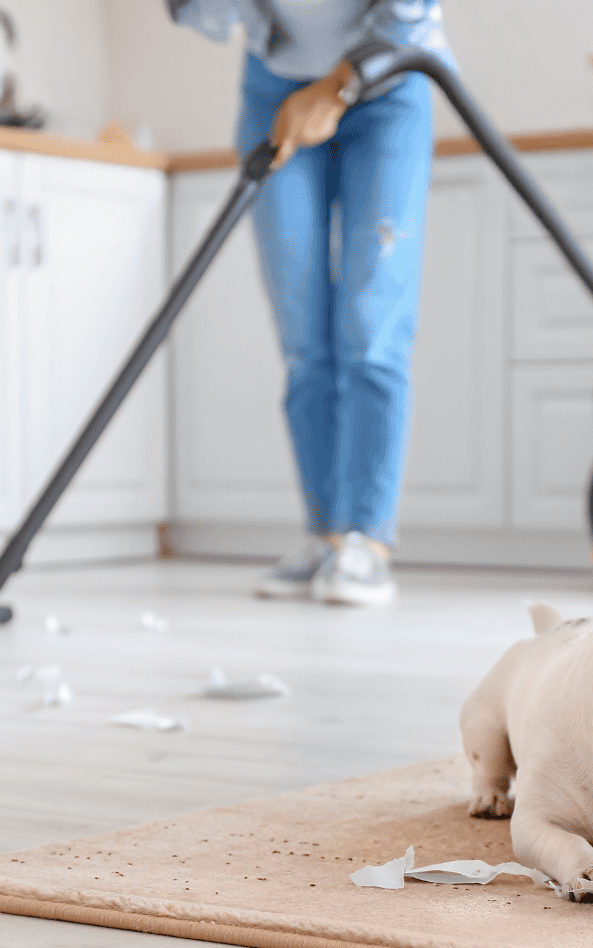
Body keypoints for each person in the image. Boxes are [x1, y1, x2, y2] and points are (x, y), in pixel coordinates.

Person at [166, 1, 455, 605]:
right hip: (272, 86)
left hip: (389, 86)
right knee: (304, 335)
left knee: (371, 325)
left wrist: (338, 86)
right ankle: (326, 536)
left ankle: (368, 542)